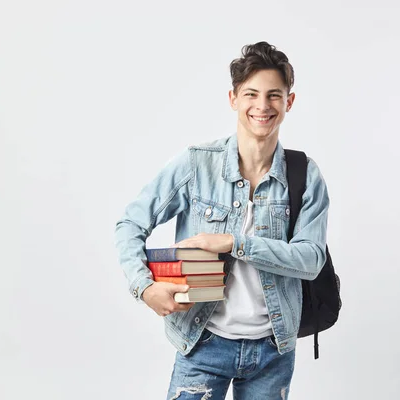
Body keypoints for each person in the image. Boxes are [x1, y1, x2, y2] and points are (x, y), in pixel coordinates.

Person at [114, 41, 329, 400]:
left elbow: (310, 259)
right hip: (204, 343)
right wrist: (144, 287)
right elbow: (130, 224)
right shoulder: (197, 165)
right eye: (251, 94)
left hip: (273, 349)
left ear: (289, 102)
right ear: (233, 99)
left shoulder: (305, 174)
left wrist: (234, 243)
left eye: (274, 95)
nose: (262, 106)